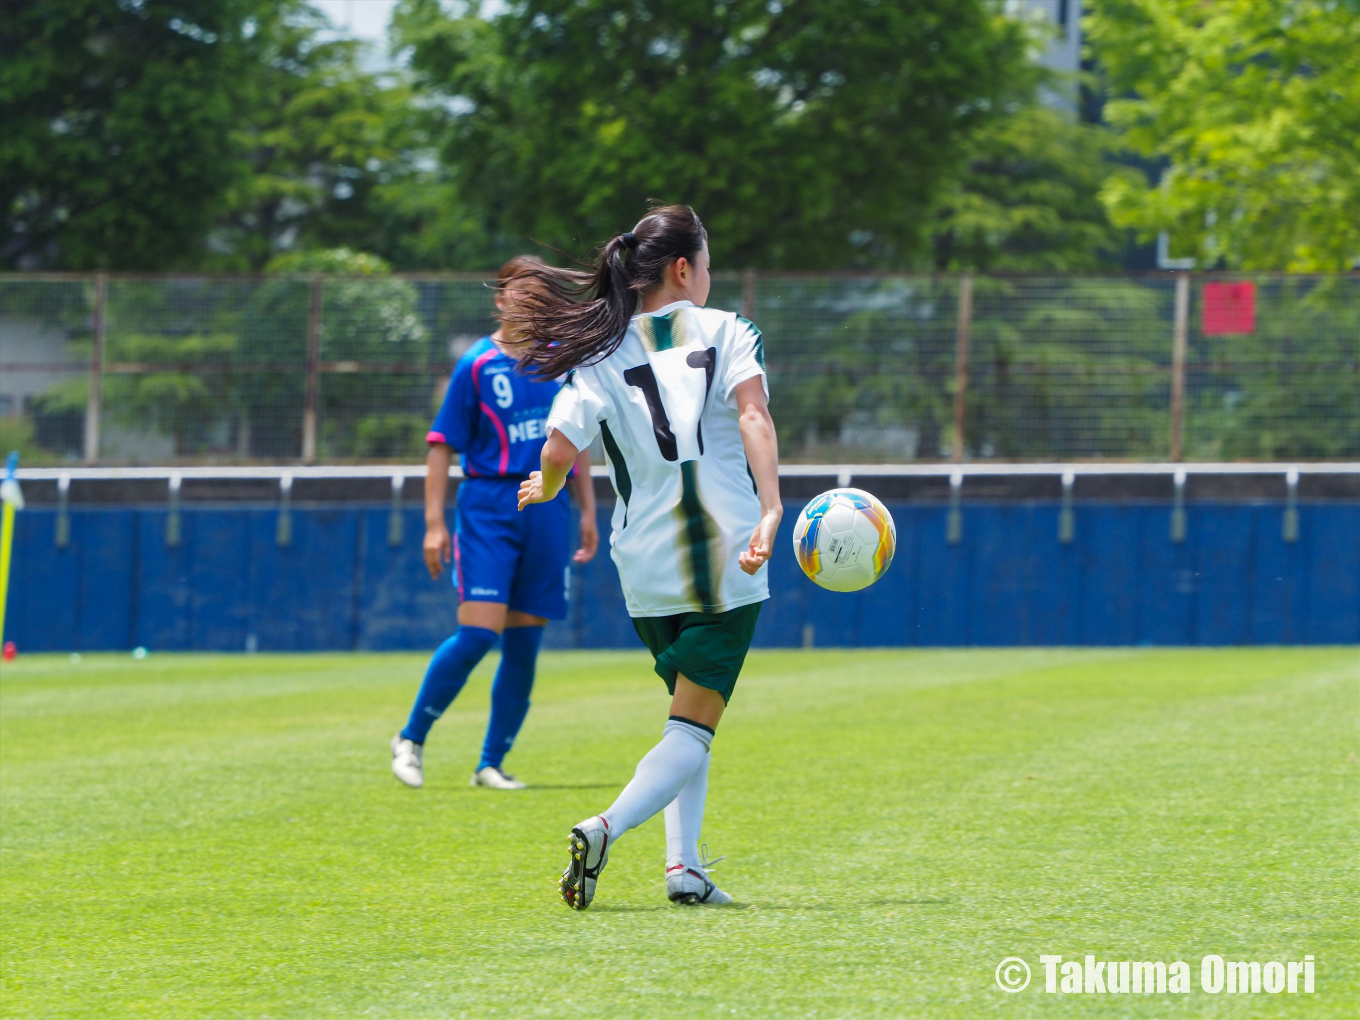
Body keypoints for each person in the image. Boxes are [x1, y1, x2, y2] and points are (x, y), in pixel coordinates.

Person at [514, 205, 781, 908]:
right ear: (683, 269)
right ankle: (606, 827)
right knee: (693, 726)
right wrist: (774, 506)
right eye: (709, 264)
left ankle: (683, 868)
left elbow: (559, 450)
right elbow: (753, 415)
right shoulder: (729, 330)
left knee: (683, 718)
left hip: (647, 569)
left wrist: (543, 488)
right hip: (728, 552)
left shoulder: (601, 353)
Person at [391, 256, 598, 790]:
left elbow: (574, 444)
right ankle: (411, 737)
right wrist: (434, 524)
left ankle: (490, 763)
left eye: (539, 295)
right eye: (519, 293)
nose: (528, 303)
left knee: (525, 644)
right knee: (479, 633)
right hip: (488, 505)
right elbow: (441, 446)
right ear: (500, 299)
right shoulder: (476, 365)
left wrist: (589, 513)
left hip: (548, 507)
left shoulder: (560, 362)